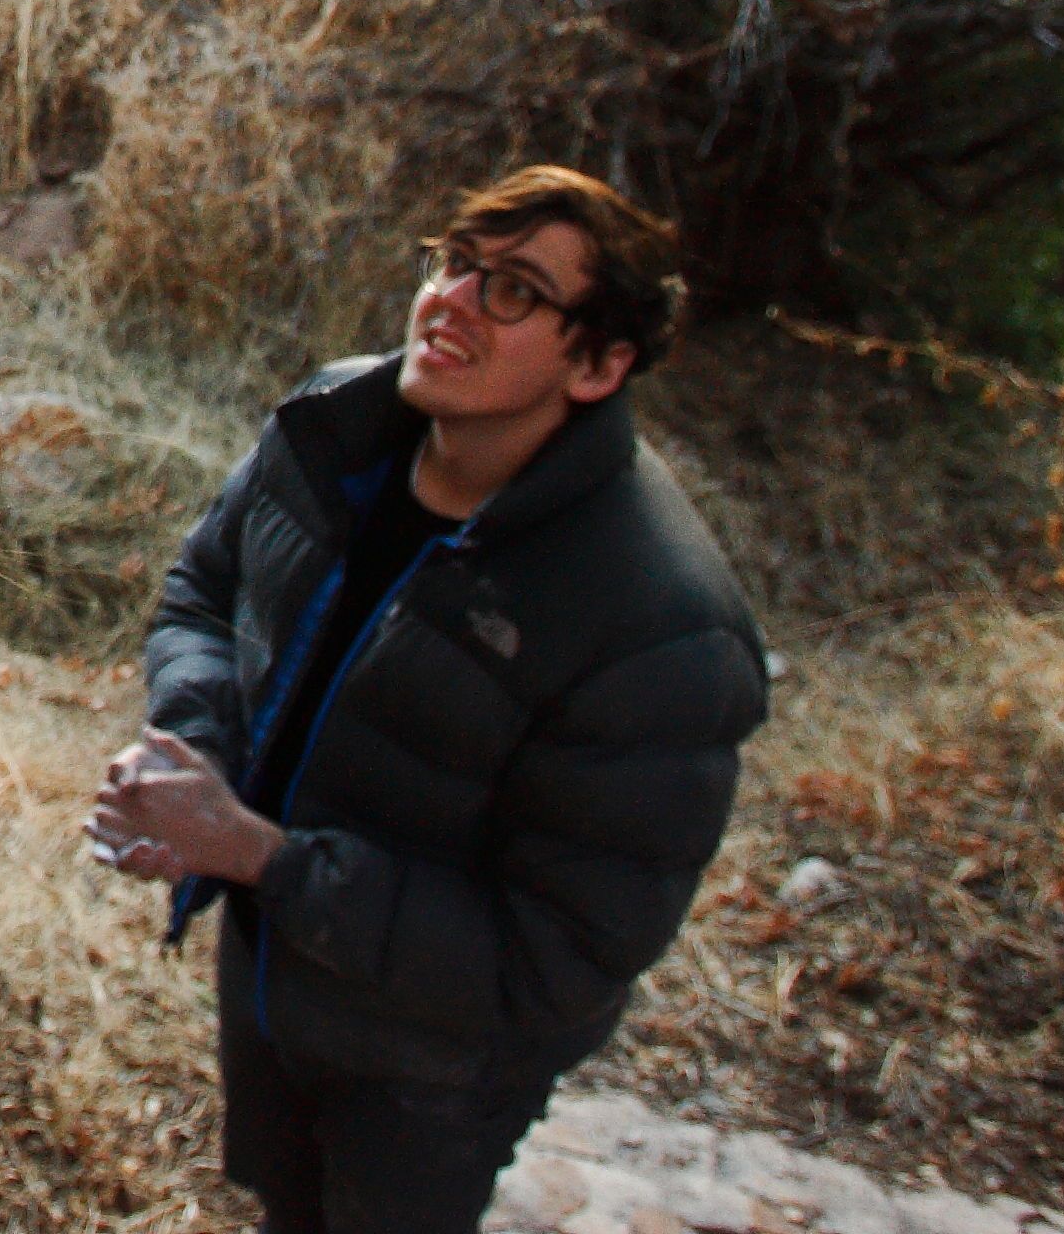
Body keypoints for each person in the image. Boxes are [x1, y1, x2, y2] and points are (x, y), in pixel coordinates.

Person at [90, 165, 768, 1234]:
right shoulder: (336, 430)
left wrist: (260, 855)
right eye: (455, 260)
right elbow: (205, 593)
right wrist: (197, 753)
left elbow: (558, 955)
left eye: (513, 291)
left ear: (600, 363)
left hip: (435, 1073)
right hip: (280, 977)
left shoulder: (659, 626)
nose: (451, 299)